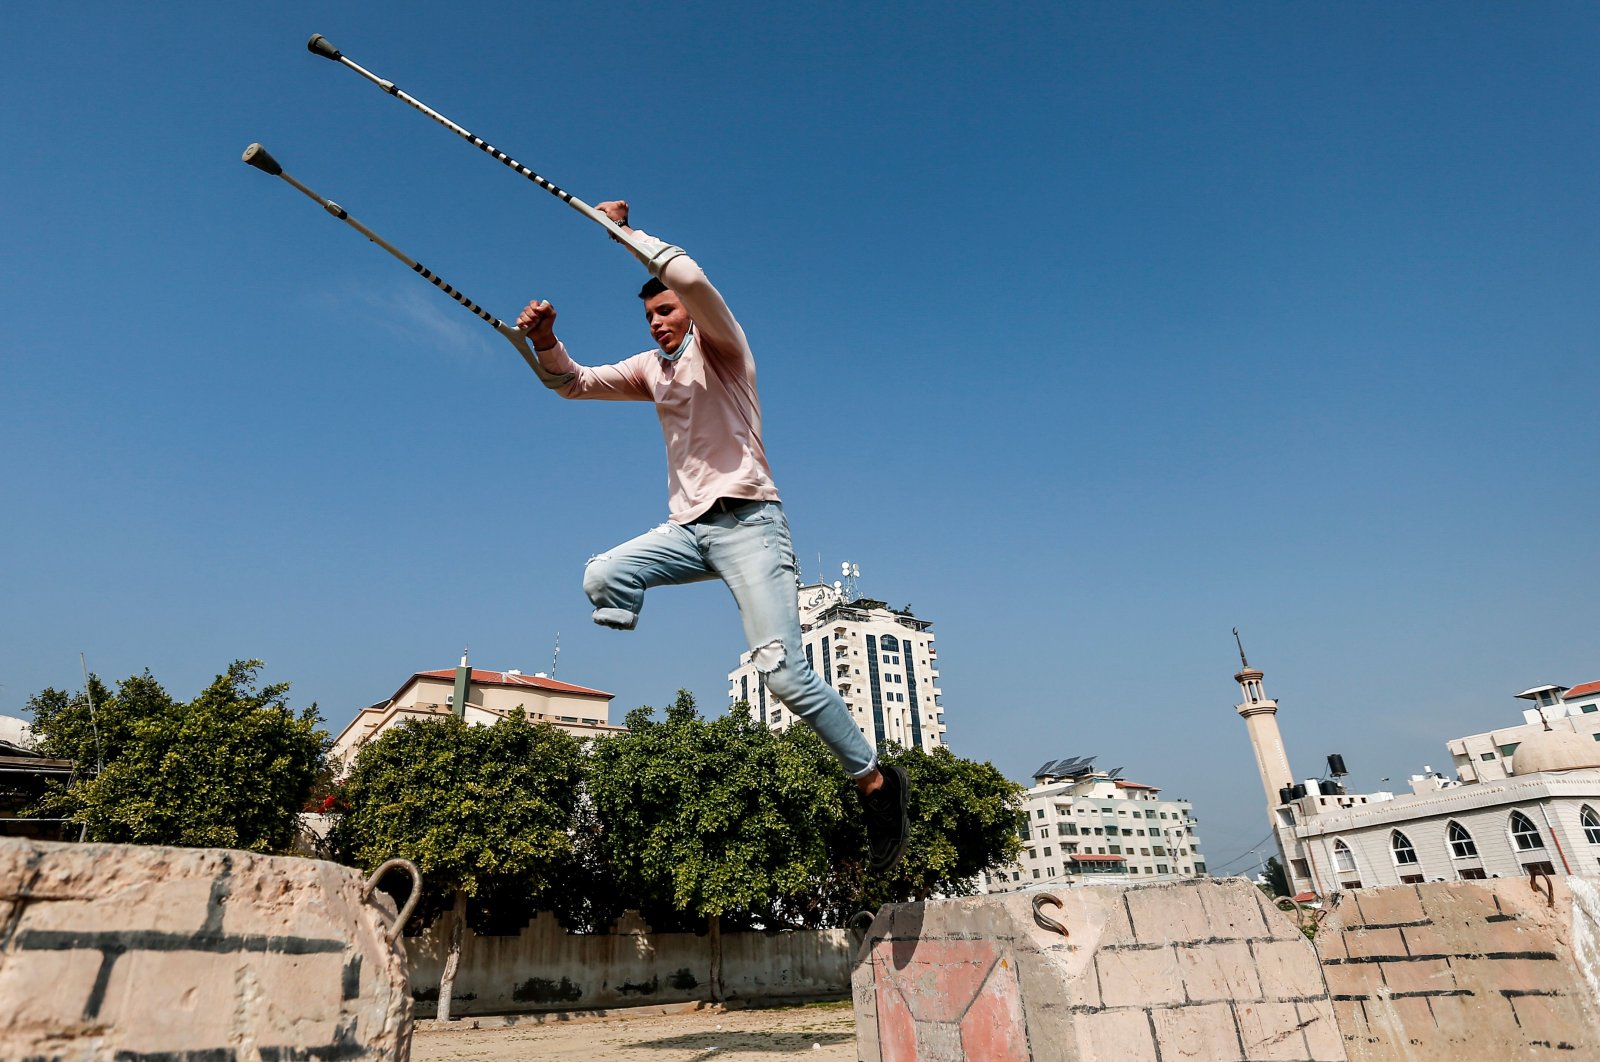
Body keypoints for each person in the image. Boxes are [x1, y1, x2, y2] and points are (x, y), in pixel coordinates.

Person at [516, 201, 909, 873]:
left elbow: (691, 276)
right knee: (602, 575)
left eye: (666, 312)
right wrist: (545, 340)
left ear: (691, 314)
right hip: (688, 532)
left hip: (752, 525)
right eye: (649, 316)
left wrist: (627, 236)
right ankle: (627, 619)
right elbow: (572, 385)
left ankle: (874, 782)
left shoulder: (725, 350)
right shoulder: (651, 370)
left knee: (782, 672)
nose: (658, 322)